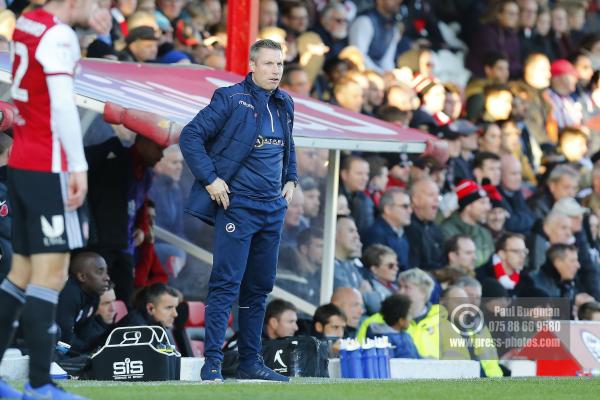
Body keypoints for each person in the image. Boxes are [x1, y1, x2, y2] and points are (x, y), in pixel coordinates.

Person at [0, 1, 111, 398]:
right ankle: (41, 383)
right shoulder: (58, 35)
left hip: (22, 160)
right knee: (49, 274)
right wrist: (78, 166)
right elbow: (62, 103)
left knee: (22, 274)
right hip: (49, 166)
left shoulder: (29, 21)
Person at [179, 39, 297, 382]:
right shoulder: (230, 98)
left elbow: (289, 145)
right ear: (252, 65)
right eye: (269, 63)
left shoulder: (285, 102)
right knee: (226, 284)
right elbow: (191, 136)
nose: (276, 70)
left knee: (259, 287)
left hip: (272, 209)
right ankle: (212, 362)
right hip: (239, 205)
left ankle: (250, 361)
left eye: (280, 64)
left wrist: (291, 178)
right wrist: (211, 179)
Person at [56, 252, 110, 356]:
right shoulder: (68, 294)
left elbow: (84, 332)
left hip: (69, 346)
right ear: (82, 276)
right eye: (100, 271)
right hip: (46, 345)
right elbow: (63, 337)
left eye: (106, 272)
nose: (107, 277)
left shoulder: (94, 296)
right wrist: (85, 352)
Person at [363, 188, 411, 270]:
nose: (410, 211)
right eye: (405, 206)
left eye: (410, 206)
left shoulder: (402, 234)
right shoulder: (376, 234)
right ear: (387, 209)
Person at [361, 294, 420, 359]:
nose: (411, 319)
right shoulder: (383, 340)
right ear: (401, 321)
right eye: (409, 315)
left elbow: (417, 357)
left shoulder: (406, 336)